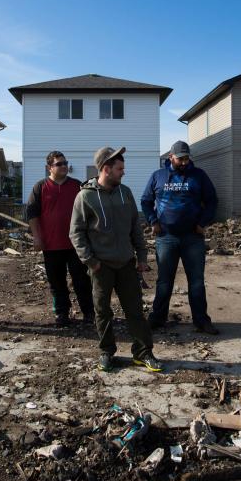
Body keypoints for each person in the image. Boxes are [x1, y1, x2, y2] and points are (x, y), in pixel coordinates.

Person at [70, 146, 162, 372]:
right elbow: (76, 232)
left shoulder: (126, 193)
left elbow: (135, 228)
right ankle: (106, 352)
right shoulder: (85, 196)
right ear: (106, 169)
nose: (123, 172)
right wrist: (91, 261)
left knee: (135, 311)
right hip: (101, 266)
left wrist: (141, 257)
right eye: (120, 168)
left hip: (126, 264)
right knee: (102, 311)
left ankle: (143, 352)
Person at [141, 140, 219, 334]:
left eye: (186, 158)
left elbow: (212, 201)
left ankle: (201, 321)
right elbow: (145, 201)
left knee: (197, 281)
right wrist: (153, 221)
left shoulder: (199, 176)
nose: (184, 162)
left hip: (192, 238)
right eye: (180, 159)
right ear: (171, 157)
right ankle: (157, 318)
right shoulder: (158, 176)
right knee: (164, 281)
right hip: (166, 237)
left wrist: (202, 223)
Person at [25, 151, 95, 326]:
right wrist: (37, 237)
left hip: (76, 244)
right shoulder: (40, 187)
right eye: (59, 164)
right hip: (51, 245)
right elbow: (31, 214)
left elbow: (89, 212)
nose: (64, 166)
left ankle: (89, 313)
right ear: (50, 167)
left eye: (65, 163)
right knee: (57, 282)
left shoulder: (77, 186)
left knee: (82, 281)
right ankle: (62, 313)